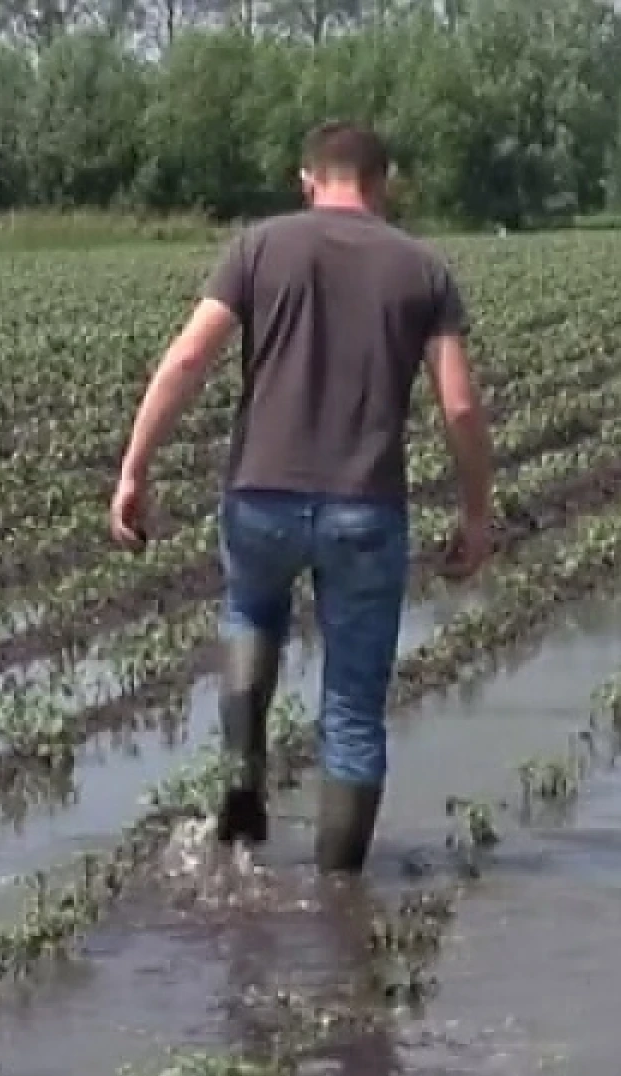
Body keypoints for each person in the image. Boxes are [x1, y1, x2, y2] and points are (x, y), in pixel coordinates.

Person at [108, 121, 495, 873]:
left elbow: (190, 355)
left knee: (251, 613)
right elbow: (461, 409)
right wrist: (477, 513)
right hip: (365, 509)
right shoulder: (423, 269)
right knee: (352, 710)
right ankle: (339, 896)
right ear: (383, 184)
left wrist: (134, 467)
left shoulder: (258, 247)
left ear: (307, 179)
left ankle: (243, 775)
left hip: (260, 496)